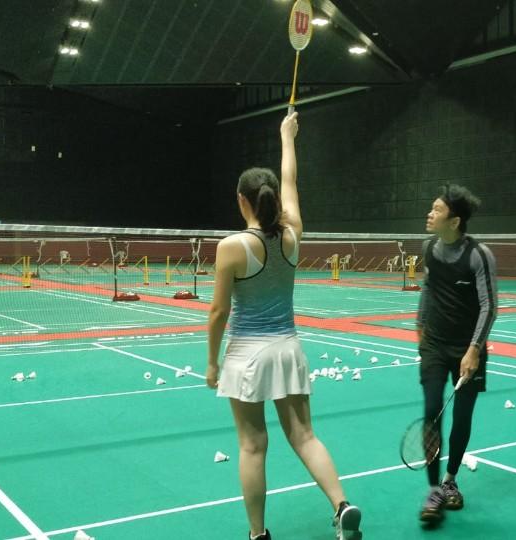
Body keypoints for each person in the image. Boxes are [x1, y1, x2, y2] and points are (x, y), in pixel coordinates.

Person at [205, 112, 363, 540]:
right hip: (288, 349)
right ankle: (341, 504)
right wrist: (287, 138)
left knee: (253, 445)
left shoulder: (231, 248)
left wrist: (212, 364)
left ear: (242, 200)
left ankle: (258, 534)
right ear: (272, 198)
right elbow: (291, 181)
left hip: (247, 355)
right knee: (305, 435)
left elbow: (218, 312)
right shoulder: (293, 236)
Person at [415, 184, 498, 526]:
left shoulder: (478, 255)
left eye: (436, 210)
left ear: (455, 221)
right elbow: (428, 288)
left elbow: (489, 306)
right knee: (432, 410)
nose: (429, 214)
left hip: (468, 348)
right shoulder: (429, 249)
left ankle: (450, 479)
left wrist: (474, 350)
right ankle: (434, 488)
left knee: (462, 417)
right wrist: (419, 327)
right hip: (434, 344)